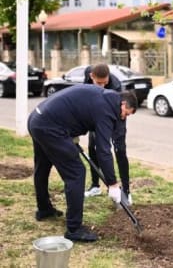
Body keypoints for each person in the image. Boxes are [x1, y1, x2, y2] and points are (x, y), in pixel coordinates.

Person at [28, 85, 137, 242]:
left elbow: (77, 108)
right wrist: (112, 184)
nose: (124, 118)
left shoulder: (106, 98)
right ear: (123, 104)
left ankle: (44, 210)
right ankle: (74, 229)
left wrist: (70, 132)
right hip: (50, 127)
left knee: (43, 166)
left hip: (37, 119)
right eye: (126, 114)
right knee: (76, 172)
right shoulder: (106, 111)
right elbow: (103, 150)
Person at [82, 64, 132, 205]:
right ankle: (95, 186)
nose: (102, 86)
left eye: (105, 83)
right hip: (96, 116)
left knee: (120, 150)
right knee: (93, 147)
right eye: (99, 83)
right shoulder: (88, 75)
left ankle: (126, 191)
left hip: (117, 116)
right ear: (91, 76)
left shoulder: (115, 86)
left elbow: (121, 109)